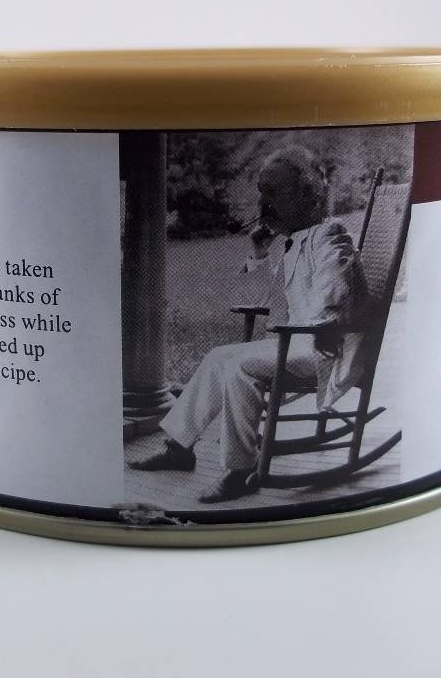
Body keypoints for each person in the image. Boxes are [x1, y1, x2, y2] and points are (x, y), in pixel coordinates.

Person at [128, 145, 368, 503]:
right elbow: (268, 302)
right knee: (219, 356)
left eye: (273, 193)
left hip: (327, 348)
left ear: (308, 195)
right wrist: (258, 253)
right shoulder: (293, 242)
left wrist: (322, 322)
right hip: (297, 340)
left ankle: (240, 470)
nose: (264, 204)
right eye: (262, 193)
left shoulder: (330, 235)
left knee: (241, 367)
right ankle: (179, 447)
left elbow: (336, 292)